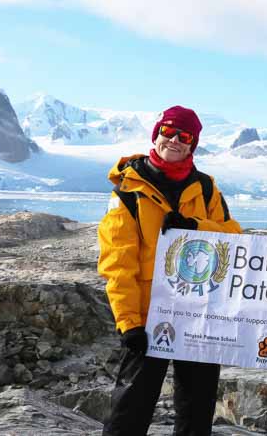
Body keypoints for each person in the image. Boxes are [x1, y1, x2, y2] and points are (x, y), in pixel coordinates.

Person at [98, 105, 241, 436]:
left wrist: (194, 226)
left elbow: (233, 237)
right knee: (130, 410)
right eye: (168, 131)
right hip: (149, 317)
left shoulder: (206, 189)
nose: (175, 140)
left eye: (185, 135)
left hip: (199, 315)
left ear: (193, 144)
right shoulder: (129, 191)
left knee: (196, 410)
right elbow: (118, 261)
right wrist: (129, 322)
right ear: (157, 134)